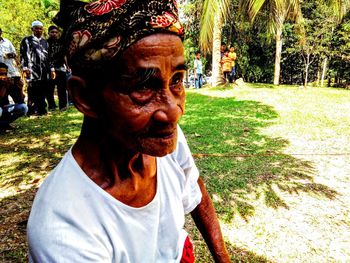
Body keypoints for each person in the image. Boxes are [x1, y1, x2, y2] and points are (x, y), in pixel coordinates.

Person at [27, 0, 230, 262]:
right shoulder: (63, 230)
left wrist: (222, 257)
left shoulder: (162, 140)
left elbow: (194, 189)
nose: (173, 112)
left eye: (177, 80)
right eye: (144, 86)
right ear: (85, 97)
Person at [20, 20, 51, 115]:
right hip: (32, 70)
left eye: (40, 28)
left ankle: (42, 110)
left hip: (44, 71)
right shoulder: (27, 40)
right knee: (32, 90)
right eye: (36, 28)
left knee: (42, 90)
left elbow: (49, 57)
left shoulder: (45, 42)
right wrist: (25, 68)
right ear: (32, 29)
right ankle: (31, 110)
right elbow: (24, 54)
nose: (39, 30)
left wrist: (51, 69)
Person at [0, 28, 26, 105]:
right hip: (1, 75)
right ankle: (5, 113)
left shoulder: (7, 42)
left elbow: (15, 55)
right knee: (3, 98)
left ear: (1, 32)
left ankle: (23, 110)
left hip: (12, 72)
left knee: (18, 95)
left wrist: (9, 55)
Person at [0, 63, 28, 131]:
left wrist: (20, 88)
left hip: (4, 107)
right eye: (1, 74)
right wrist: (4, 86)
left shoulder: (8, 82)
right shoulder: (5, 83)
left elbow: (19, 100)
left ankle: (3, 124)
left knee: (23, 108)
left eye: (5, 74)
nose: (4, 76)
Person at [47, 25, 69, 111]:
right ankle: (52, 106)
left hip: (60, 68)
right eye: (52, 32)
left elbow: (64, 55)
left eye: (56, 32)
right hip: (49, 69)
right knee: (49, 89)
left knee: (62, 88)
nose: (54, 34)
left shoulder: (61, 43)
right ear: (48, 33)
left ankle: (62, 106)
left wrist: (67, 66)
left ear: (58, 33)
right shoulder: (45, 43)